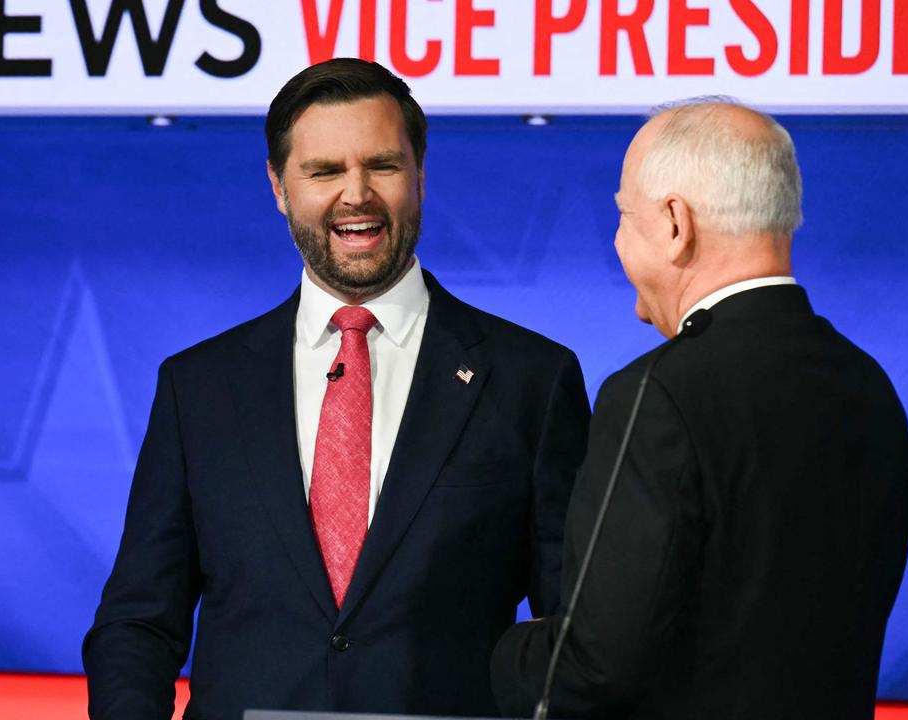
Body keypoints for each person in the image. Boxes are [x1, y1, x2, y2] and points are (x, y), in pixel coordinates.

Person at [83, 58, 590, 720]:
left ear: (420, 175)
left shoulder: (533, 379)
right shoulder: (199, 387)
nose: (357, 194)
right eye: (324, 172)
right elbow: (138, 622)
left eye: (382, 165)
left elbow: (573, 631)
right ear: (279, 187)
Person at [490, 100, 908, 719]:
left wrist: (489, 648)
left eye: (622, 217)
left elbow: (591, 668)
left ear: (673, 224)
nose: (617, 241)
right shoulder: (867, 386)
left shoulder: (658, 393)